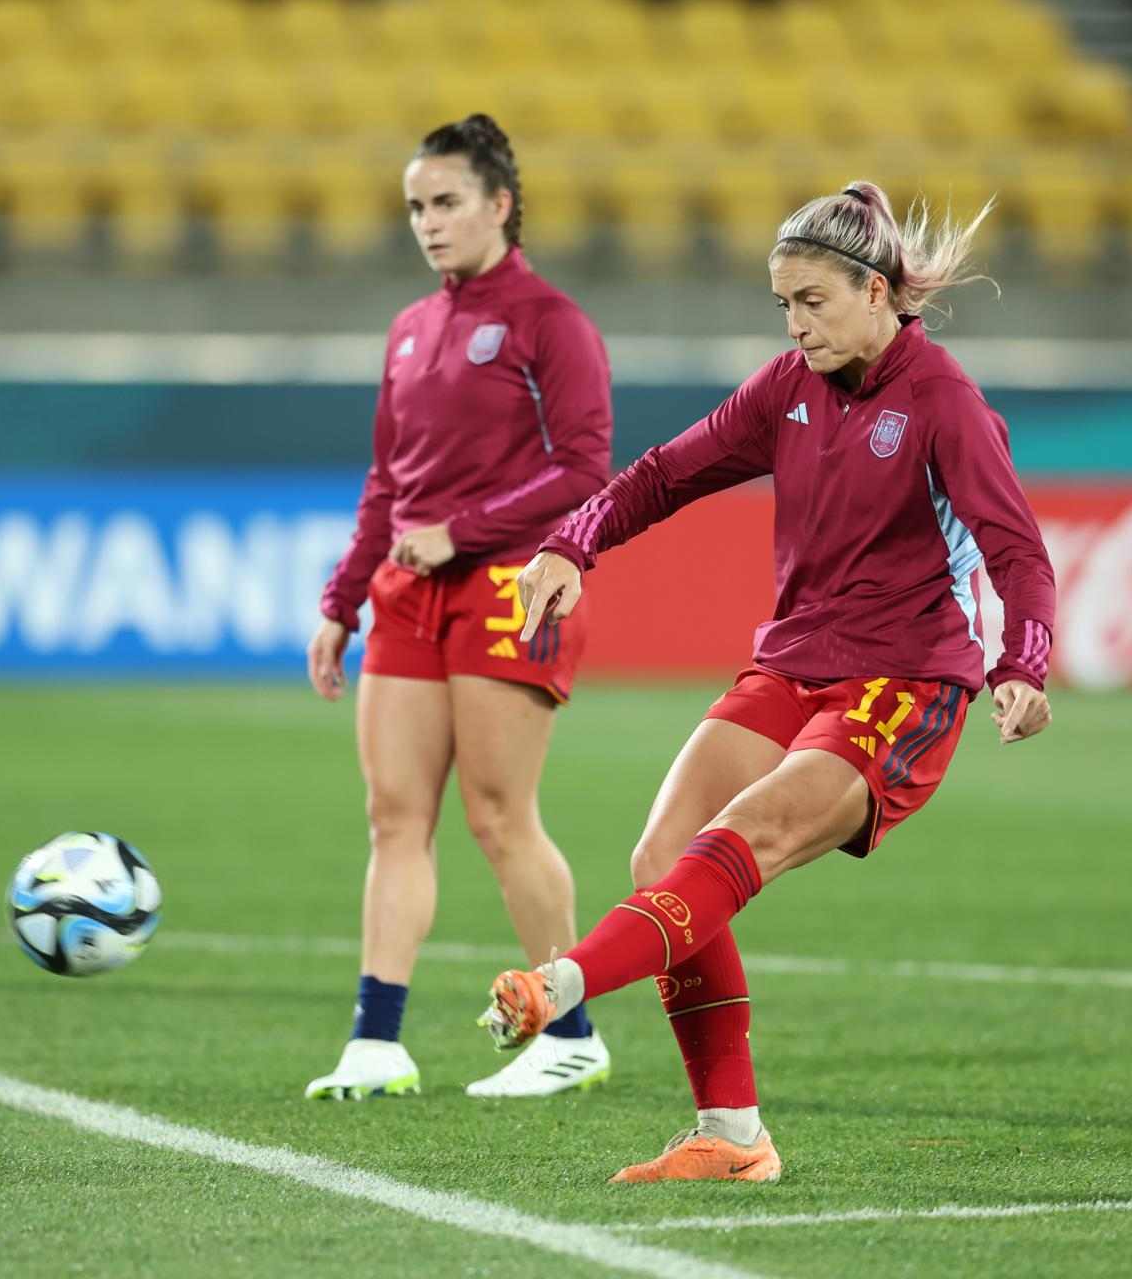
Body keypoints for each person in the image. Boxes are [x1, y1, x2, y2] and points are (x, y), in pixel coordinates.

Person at [478, 182, 1056, 1181]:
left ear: (877, 291)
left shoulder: (942, 401)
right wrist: (575, 541)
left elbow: (1017, 547)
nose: (795, 323)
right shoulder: (788, 385)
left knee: (737, 842)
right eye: (783, 304)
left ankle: (560, 983)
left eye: (813, 301)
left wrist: (1026, 661)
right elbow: (665, 472)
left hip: (903, 681)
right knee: (662, 850)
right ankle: (735, 1134)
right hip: (794, 661)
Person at [303, 114, 615, 1101]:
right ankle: (376, 1039)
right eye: (415, 207)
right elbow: (386, 481)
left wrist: (465, 528)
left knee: (496, 812)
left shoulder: (549, 323)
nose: (428, 223)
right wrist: (340, 601)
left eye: (446, 203)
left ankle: (568, 1028)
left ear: (500, 206)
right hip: (407, 594)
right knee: (393, 815)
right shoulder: (410, 328)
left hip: (511, 585)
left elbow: (586, 468)